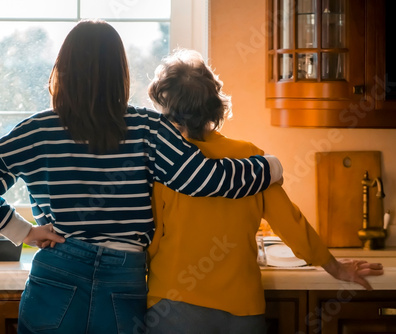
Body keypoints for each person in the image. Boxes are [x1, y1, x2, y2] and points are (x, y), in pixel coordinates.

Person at [0, 20, 284, 333]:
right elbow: (207, 179)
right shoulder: (147, 129)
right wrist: (269, 167)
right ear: (120, 72)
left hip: (57, 273)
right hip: (122, 278)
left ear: (63, 69)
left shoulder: (38, 129)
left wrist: (24, 232)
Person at [144, 49, 385, 334]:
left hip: (173, 303)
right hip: (241, 308)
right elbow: (290, 222)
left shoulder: (168, 163)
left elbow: (153, 236)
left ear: (167, 108)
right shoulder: (250, 157)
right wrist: (334, 266)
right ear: (214, 105)